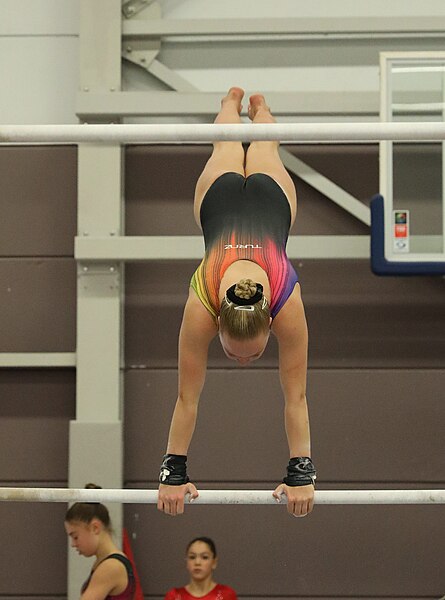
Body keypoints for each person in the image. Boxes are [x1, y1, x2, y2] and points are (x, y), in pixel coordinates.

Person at [157, 87, 316, 518]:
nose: (243, 362)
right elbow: (294, 397)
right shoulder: (282, 301)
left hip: (223, 197)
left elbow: (189, 398)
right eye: (245, 353)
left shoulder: (207, 302)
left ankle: (241, 105)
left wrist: (302, 473)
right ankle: (247, 106)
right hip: (262, 198)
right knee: (256, 144)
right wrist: (299, 471)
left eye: (238, 354)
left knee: (231, 143)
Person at [64, 484, 135, 600]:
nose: (73, 544)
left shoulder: (111, 567)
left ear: (95, 528)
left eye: (75, 537)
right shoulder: (102, 562)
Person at [164, 537, 237, 600]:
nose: (197, 562)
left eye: (204, 557)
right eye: (192, 557)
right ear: (187, 562)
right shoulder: (174, 596)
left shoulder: (226, 595)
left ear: (214, 562)